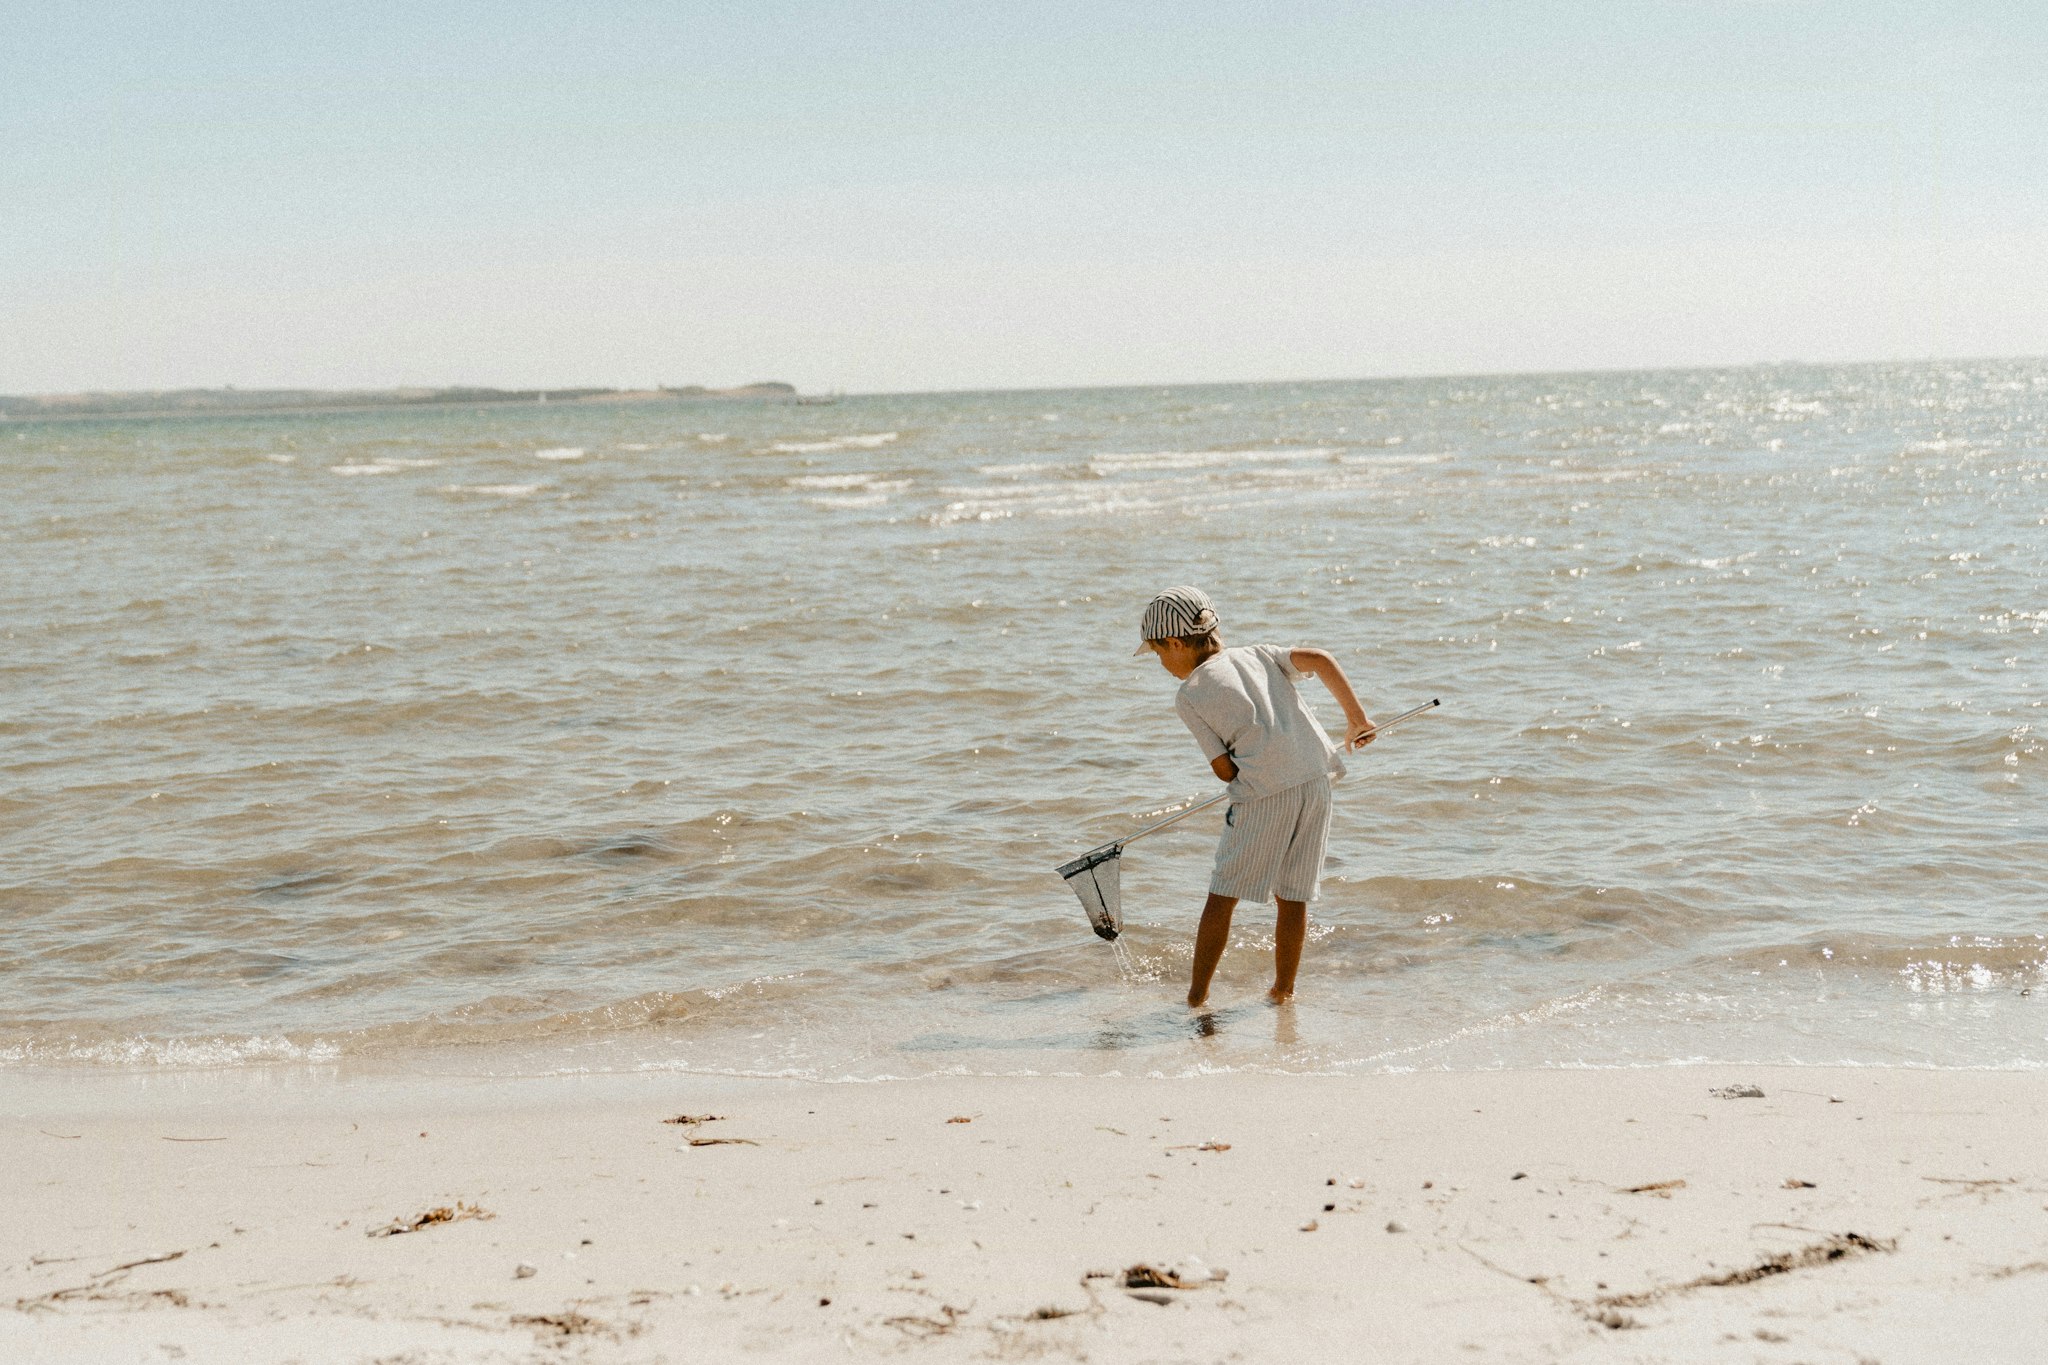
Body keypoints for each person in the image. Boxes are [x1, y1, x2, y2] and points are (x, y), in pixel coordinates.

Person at [1136, 586, 1375, 1007]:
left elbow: (1224, 770)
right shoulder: (1260, 654)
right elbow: (1320, 660)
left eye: (1157, 653)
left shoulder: (1189, 694)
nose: (1161, 662)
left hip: (1266, 796)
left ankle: (1195, 997)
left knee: (1222, 894)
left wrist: (1239, 762)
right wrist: (1356, 719)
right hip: (1317, 781)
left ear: (1175, 643)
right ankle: (1283, 991)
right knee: (1294, 894)